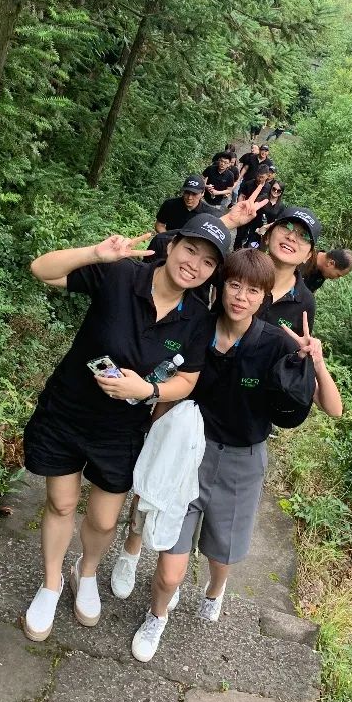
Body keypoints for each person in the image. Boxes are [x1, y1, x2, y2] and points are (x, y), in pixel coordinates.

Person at [20, 215, 229, 642]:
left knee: (103, 519)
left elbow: (187, 379)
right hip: (68, 411)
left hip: (123, 429)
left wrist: (148, 389)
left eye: (208, 262)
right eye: (190, 250)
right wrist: (95, 254)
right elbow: (41, 269)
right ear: (172, 245)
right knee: (61, 503)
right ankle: (51, 583)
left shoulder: (197, 319)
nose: (194, 265)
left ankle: (86, 572)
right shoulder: (120, 276)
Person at [130, 249, 317, 661]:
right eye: (234, 285)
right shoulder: (198, 328)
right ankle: (156, 615)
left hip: (241, 462)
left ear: (265, 297)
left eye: (253, 291)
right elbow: (171, 382)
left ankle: (215, 590)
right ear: (220, 286)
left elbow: (319, 408)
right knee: (170, 568)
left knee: (221, 551)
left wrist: (309, 363)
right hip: (188, 455)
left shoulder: (274, 344)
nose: (241, 297)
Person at [257, 206, 321, 333]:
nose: (291, 237)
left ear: (308, 255)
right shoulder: (240, 271)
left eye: (303, 235)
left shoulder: (305, 303)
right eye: (286, 226)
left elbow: (298, 342)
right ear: (268, 236)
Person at [234, 173, 281, 250]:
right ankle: (236, 251)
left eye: (278, 191)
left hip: (265, 230)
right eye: (274, 189)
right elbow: (254, 205)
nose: (275, 191)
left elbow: (278, 220)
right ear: (271, 188)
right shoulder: (263, 197)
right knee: (244, 241)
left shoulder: (281, 206)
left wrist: (267, 227)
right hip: (253, 225)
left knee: (258, 249)